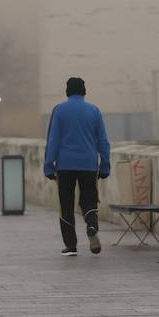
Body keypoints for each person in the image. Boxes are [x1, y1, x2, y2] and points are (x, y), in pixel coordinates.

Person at [43, 76, 111, 257]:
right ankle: (91, 225)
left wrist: (49, 167)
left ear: (67, 91)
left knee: (66, 204)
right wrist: (105, 165)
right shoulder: (94, 111)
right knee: (89, 198)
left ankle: (71, 245)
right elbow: (103, 141)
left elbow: (53, 141)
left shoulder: (59, 111)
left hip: (65, 165)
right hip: (88, 164)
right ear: (84, 91)